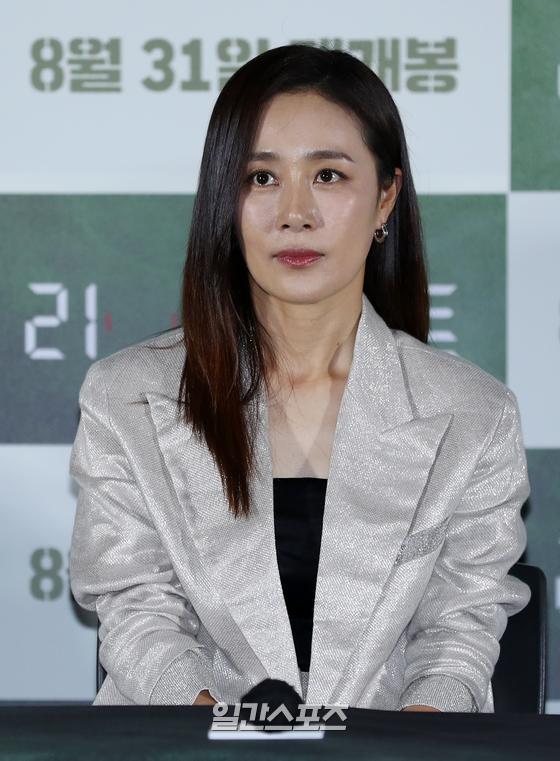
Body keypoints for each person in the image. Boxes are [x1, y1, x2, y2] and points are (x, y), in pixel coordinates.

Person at [68, 44, 531, 712]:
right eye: (261, 178)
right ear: (225, 200)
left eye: (328, 175)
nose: (294, 212)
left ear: (385, 198)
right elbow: (139, 613)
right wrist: (224, 741)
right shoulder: (128, 398)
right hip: (186, 742)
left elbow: (457, 632)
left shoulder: (474, 415)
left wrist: (404, 746)